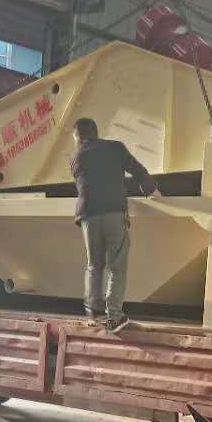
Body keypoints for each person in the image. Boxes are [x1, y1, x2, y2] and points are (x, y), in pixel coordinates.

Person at [70, 117, 160, 333]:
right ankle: (114, 317)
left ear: (78, 136)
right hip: (113, 213)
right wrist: (151, 190)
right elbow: (138, 170)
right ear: (96, 132)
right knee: (116, 266)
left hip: (88, 217)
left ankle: (93, 311)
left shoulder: (75, 158)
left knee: (94, 265)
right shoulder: (115, 148)